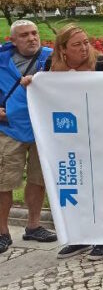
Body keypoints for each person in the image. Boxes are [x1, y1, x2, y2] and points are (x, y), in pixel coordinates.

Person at [34, 25, 103, 260]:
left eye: (86, 42)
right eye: (77, 44)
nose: (84, 48)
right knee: (77, 186)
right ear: (63, 49)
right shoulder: (51, 67)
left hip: (100, 135)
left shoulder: (102, 64)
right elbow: (46, 95)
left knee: (101, 187)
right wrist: (34, 84)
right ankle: (80, 237)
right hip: (69, 138)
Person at [0, 20, 56, 255]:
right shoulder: (1, 61)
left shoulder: (52, 57)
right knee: (4, 182)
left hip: (41, 129)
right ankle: (2, 232)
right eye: (24, 35)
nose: (32, 38)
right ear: (12, 41)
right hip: (9, 129)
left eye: (34, 33)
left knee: (38, 179)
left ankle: (33, 226)